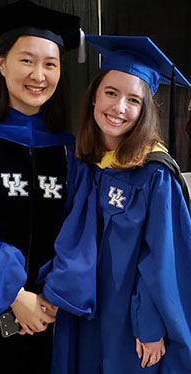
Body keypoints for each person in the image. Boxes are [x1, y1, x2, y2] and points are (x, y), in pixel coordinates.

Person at [0, 1, 88, 373]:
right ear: (2, 63)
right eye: (26, 60)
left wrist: (52, 295)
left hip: (53, 312)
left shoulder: (70, 149)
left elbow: (79, 230)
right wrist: (15, 296)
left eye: (50, 64)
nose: (38, 74)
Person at [41, 35, 191, 373]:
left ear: (144, 110)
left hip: (129, 317)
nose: (119, 108)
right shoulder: (83, 160)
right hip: (84, 307)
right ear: (94, 94)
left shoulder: (154, 173)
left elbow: (163, 258)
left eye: (133, 100)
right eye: (111, 93)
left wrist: (151, 324)